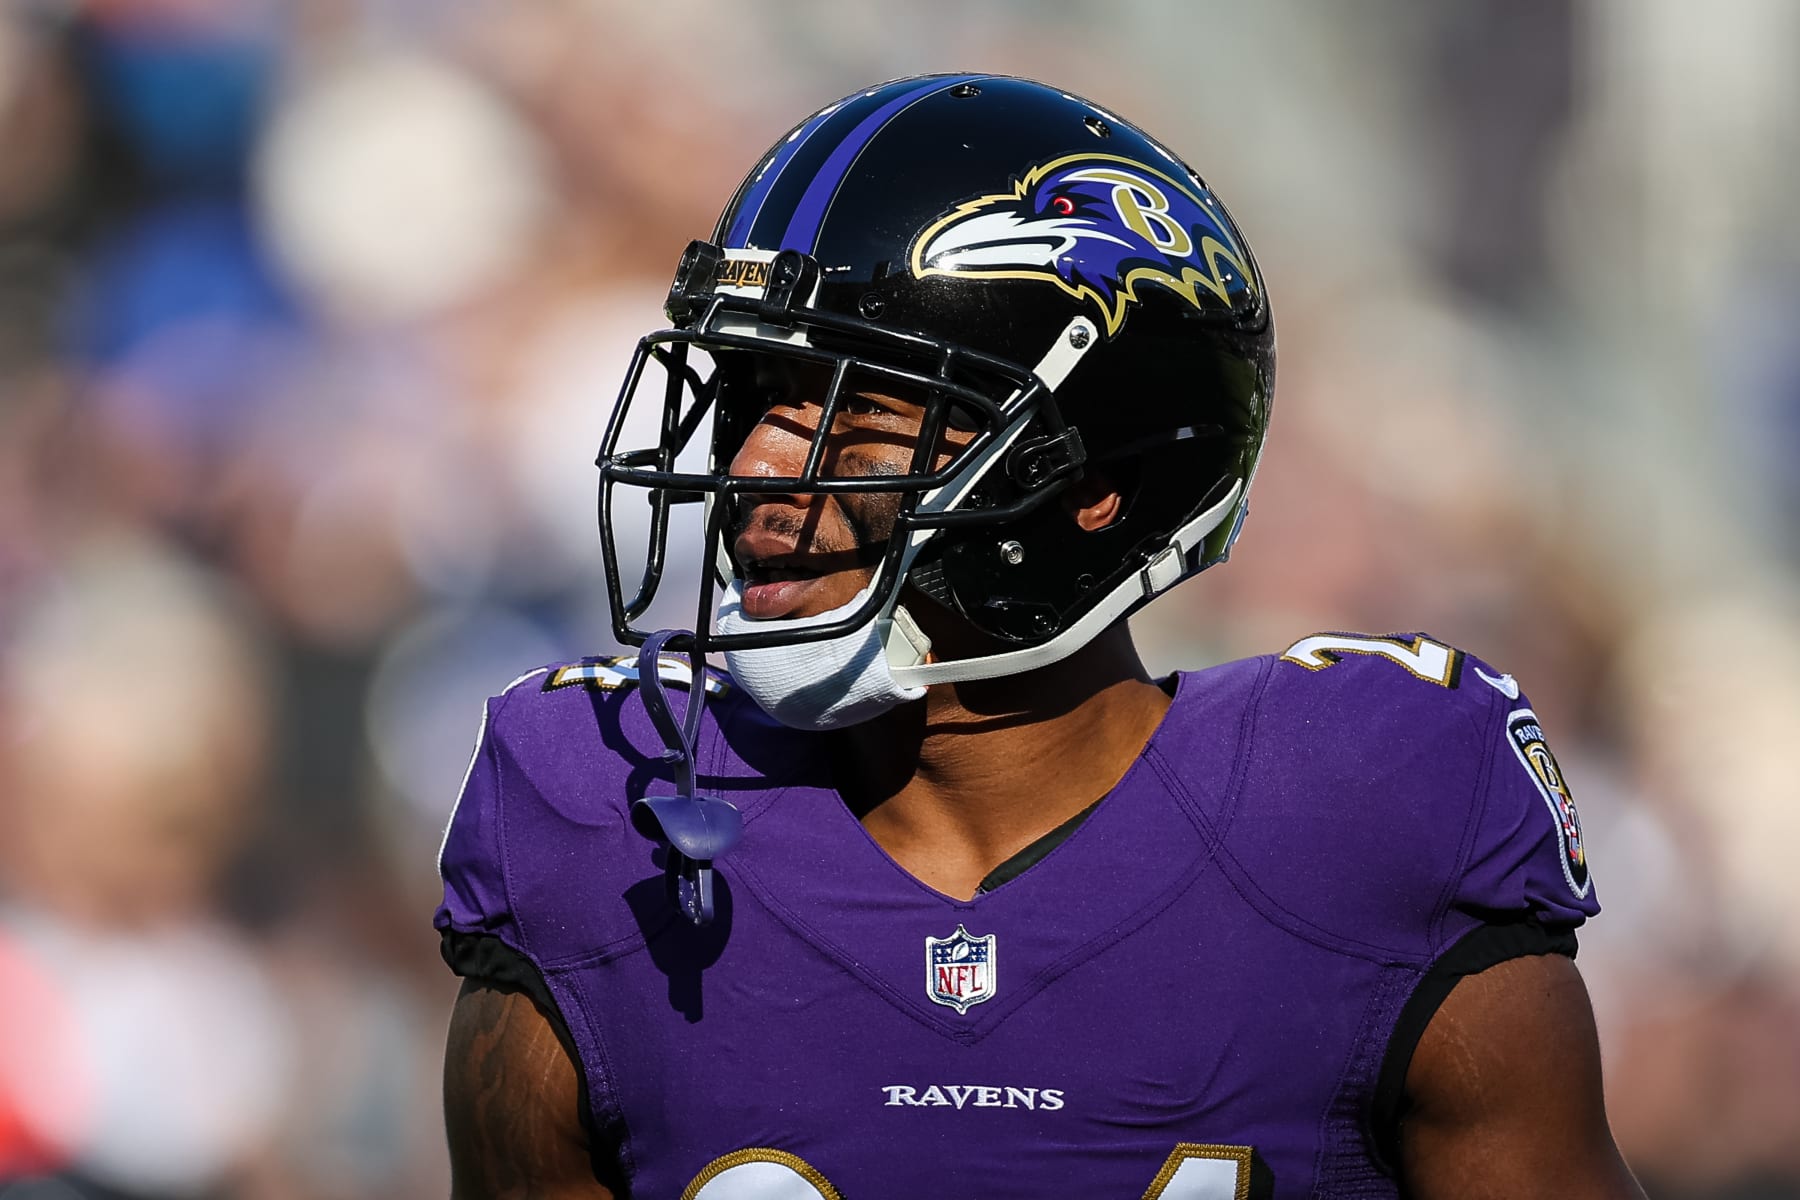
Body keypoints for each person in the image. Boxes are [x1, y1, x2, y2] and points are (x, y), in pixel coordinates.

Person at [436, 73, 1643, 1198]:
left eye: (856, 423)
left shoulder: (1362, 808)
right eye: (754, 402)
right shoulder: (602, 821)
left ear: (1093, 488)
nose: (754, 469)